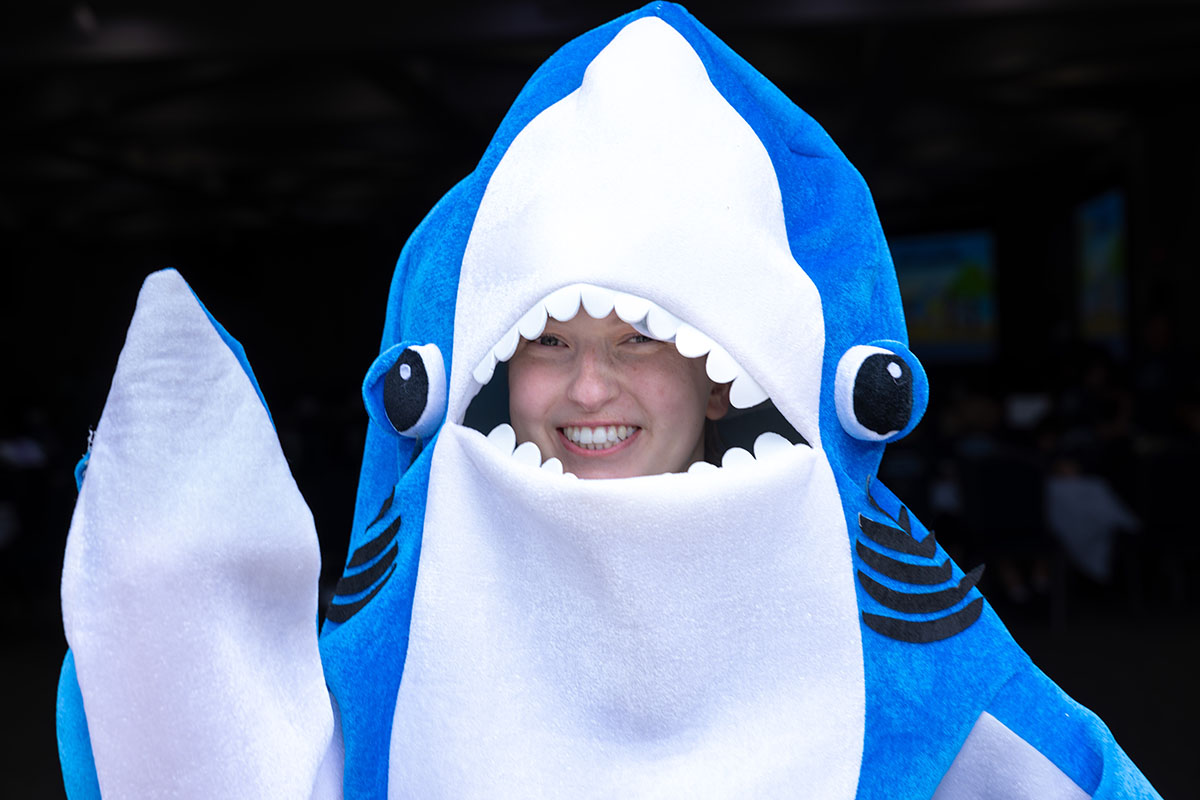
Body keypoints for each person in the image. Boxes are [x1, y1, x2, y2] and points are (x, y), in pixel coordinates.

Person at [58, 4, 1162, 798]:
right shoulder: (414, 587)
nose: (588, 386)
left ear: (720, 366)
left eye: (642, 338)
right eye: (544, 342)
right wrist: (161, 599)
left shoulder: (881, 609)